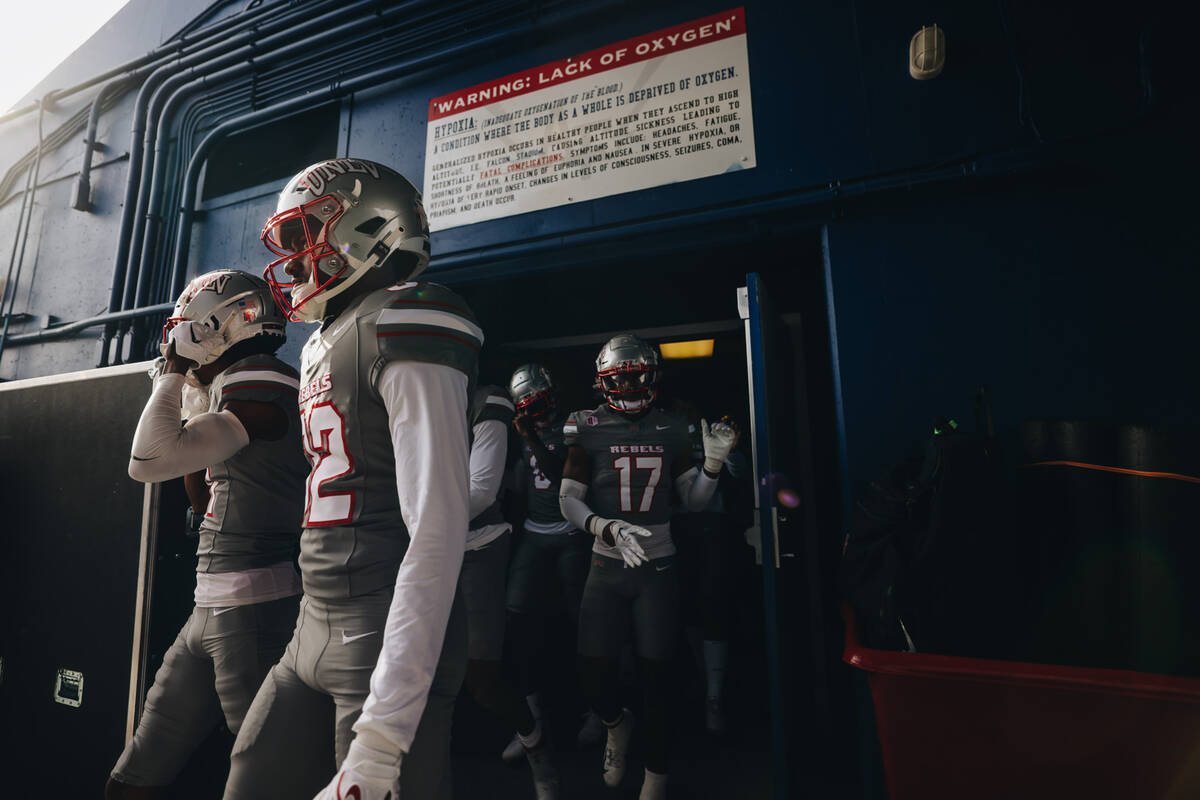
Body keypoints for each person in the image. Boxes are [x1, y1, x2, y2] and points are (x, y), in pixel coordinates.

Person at [223, 158, 477, 800]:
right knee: (248, 779)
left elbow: (439, 529)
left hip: (383, 621)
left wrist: (385, 737)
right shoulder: (325, 340)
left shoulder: (406, 317)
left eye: (305, 235)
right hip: (315, 617)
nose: (295, 261)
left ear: (364, 229)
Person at [107, 269, 306, 799]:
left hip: (254, 606)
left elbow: (147, 460)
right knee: (133, 777)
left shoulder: (261, 378)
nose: (176, 336)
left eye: (184, 326)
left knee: (265, 781)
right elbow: (200, 500)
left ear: (212, 325)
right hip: (213, 604)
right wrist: (196, 400)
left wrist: (171, 373)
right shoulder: (235, 391)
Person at [557, 334, 738, 800]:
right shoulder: (586, 425)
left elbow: (694, 502)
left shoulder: (673, 427)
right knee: (592, 672)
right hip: (606, 562)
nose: (634, 385)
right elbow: (567, 500)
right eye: (623, 378)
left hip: (658, 565)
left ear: (654, 376)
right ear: (604, 383)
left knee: (659, 677)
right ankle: (617, 724)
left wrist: (713, 466)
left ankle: (657, 773)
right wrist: (606, 528)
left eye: (639, 375)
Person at [459, 382, 560, 799]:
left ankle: (540, 752)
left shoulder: (486, 400)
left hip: (474, 544)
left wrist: (408, 516)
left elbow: (481, 490)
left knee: (483, 678)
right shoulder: (397, 393)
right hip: (416, 548)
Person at [501, 364, 601, 763]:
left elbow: (562, 475)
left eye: (541, 403)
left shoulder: (574, 427)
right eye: (529, 408)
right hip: (534, 535)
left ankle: (600, 711)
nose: (537, 413)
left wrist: (528, 437)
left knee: (586, 627)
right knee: (516, 623)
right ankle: (530, 722)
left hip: (571, 535)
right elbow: (516, 486)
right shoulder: (520, 436)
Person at [670, 398, 748, 735]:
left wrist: (726, 450)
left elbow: (741, 472)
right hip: (678, 530)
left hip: (713, 530)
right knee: (686, 608)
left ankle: (714, 696)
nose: (685, 417)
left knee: (714, 606)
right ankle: (704, 682)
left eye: (689, 411)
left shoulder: (711, 437)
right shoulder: (668, 441)